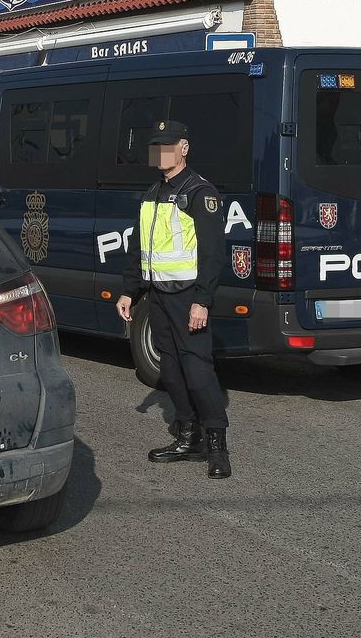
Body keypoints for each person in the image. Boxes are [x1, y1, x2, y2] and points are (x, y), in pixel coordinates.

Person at [115, 119, 230, 480]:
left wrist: (203, 301)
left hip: (188, 298)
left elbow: (213, 253)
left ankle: (216, 445)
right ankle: (187, 435)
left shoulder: (199, 192)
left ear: (184, 148)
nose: (160, 152)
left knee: (197, 372)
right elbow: (139, 247)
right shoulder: (153, 193)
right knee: (171, 371)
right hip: (158, 297)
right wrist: (128, 291)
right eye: (155, 146)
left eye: (167, 145)